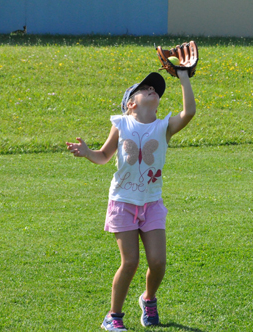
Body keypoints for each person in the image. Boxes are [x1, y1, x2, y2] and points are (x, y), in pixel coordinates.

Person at [66, 44, 196, 331]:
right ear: (131, 103)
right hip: (123, 202)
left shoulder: (163, 127)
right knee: (131, 261)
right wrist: (87, 152)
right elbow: (103, 156)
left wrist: (184, 75)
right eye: (144, 88)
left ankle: (148, 300)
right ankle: (113, 317)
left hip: (151, 202)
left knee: (158, 262)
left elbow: (189, 112)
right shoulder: (121, 124)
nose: (152, 89)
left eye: (155, 89)